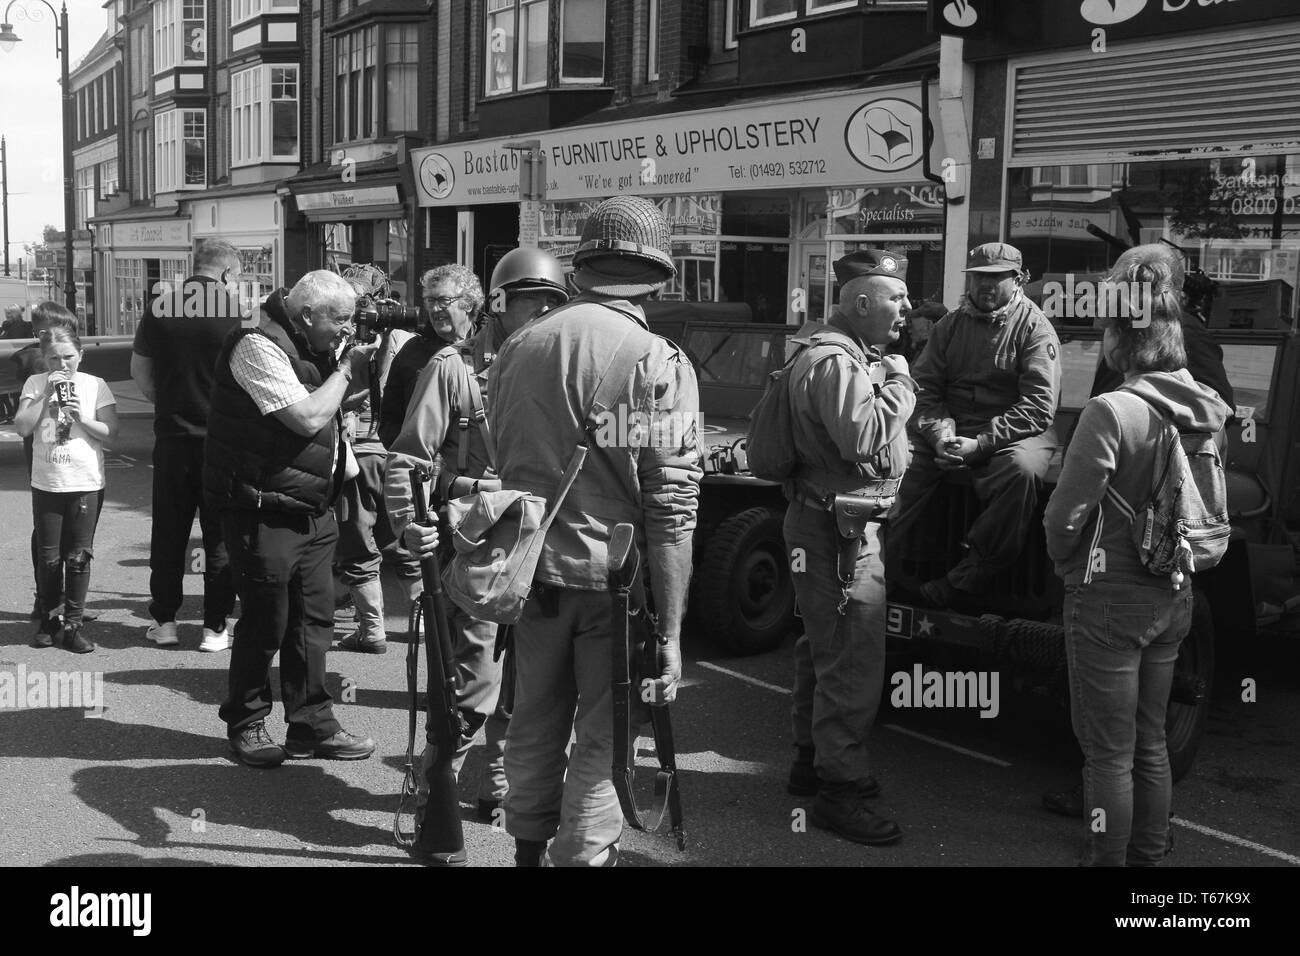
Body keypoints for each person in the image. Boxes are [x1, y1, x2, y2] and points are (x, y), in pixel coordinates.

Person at [478, 196, 700, 866]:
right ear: (660, 277)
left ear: (580, 269)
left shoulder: (519, 346)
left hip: (531, 575)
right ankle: (582, 858)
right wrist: (671, 634)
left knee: (534, 724)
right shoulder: (659, 362)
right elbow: (671, 508)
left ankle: (525, 854)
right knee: (604, 741)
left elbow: (502, 455)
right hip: (613, 585)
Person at [1043, 253, 1231, 866]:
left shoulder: (1111, 410)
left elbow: (1064, 516)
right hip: (1174, 592)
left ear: (1119, 338)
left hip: (1109, 596)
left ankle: (1107, 861)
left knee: (1106, 753)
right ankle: (1150, 861)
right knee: (1151, 741)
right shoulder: (1207, 407)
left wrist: (1070, 567)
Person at [384, 247, 570, 823]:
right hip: (479, 549)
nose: (541, 316)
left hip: (548, 550)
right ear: (499, 305)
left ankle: (495, 788)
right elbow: (406, 462)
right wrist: (408, 530)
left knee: (527, 687)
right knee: (470, 685)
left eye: (551, 305)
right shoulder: (454, 368)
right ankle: (428, 798)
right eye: (529, 304)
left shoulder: (564, 367)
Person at [204, 270, 378, 768]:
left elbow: (330, 411)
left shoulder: (313, 343)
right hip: (261, 506)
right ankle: (246, 721)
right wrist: (346, 370)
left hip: (311, 504)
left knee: (313, 622)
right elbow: (304, 417)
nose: (346, 330)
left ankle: (312, 725)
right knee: (265, 621)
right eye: (340, 320)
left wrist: (358, 371)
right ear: (307, 315)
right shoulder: (255, 344)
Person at [782, 250, 916, 846]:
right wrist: (904, 382)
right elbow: (864, 432)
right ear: (861, 304)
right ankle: (840, 791)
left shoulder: (845, 353)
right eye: (896, 299)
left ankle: (810, 763)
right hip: (839, 536)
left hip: (832, 526)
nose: (907, 309)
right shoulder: (835, 361)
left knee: (823, 649)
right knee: (852, 661)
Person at [887, 242, 1061, 608]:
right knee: (892, 455)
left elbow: (1038, 407)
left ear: (1018, 280)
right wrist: (939, 435)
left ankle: (970, 578)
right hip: (951, 427)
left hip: (1015, 430)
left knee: (1021, 470)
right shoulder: (949, 325)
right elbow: (924, 387)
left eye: (996, 277)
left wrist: (980, 444)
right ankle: (880, 571)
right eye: (979, 276)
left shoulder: (1035, 329)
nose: (985, 284)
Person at [131, 239, 246, 652]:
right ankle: (215, 628)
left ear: (195, 267)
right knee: (219, 536)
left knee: (169, 532)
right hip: (223, 441)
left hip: (173, 438)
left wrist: (167, 404)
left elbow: (139, 370)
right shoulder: (237, 312)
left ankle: (165, 621)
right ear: (229, 273)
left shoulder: (161, 306)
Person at [378, 264, 486, 600]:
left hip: (489, 497)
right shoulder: (413, 355)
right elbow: (391, 425)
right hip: (438, 498)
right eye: (429, 301)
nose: (434, 309)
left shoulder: (497, 349)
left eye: (443, 300)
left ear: (469, 302)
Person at [14, 325, 119, 653]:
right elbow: (22, 427)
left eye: (69, 357)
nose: (62, 364)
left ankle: (72, 626)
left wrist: (80, 416)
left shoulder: (95, 385)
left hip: (85, 482)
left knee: (77, 557)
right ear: (45, 359)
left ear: (81, 355)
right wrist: (46, 393)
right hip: (48, 483)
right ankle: (49, 621)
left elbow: (110, 431)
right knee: (48, 559)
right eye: (54, 358)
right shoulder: (36, 383)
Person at [330, 270, 417, 655]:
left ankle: (372, 631)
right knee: (405, 542)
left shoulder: (341, 338)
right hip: (400, 454)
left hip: (358, 455)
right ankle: (421, 624)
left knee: (359, 545)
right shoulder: (407, 339)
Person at [13, 303, 83, 624]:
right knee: (46, 532)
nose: (57, 342)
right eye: (49, 336)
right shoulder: (30, 360)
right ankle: (45, 600)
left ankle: (67, 602)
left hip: (70, 453)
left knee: (71, 531)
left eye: (67, 334)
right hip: (43, 454)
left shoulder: (63, 360)